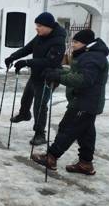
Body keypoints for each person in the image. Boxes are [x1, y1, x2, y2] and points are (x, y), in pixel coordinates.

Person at [32, 29, 109, 175]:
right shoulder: (90, 55)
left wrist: (58, 77)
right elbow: (77, 74)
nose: (72, 45)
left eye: (76, 42)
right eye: (73, 41)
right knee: (85, 133)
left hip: (85, 103)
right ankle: (85, 163)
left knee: (68, 128)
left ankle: (51, 157)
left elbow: (84, 80)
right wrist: (58, 73)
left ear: (86, 44)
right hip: (87, 102)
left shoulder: (92, 58)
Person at [4, 12, 66, 145]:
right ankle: (24, 114)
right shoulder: (40, 36)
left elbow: (50, 62)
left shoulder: (58, 41)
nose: (37, 28)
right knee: (26, 97)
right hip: (36, 74)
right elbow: (27, 48)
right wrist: (12, 57)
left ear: (48, 26)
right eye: (36, 25)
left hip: (48, 77)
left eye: (39, 26)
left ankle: (40, 134)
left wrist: (26, 63)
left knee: (40, 105)